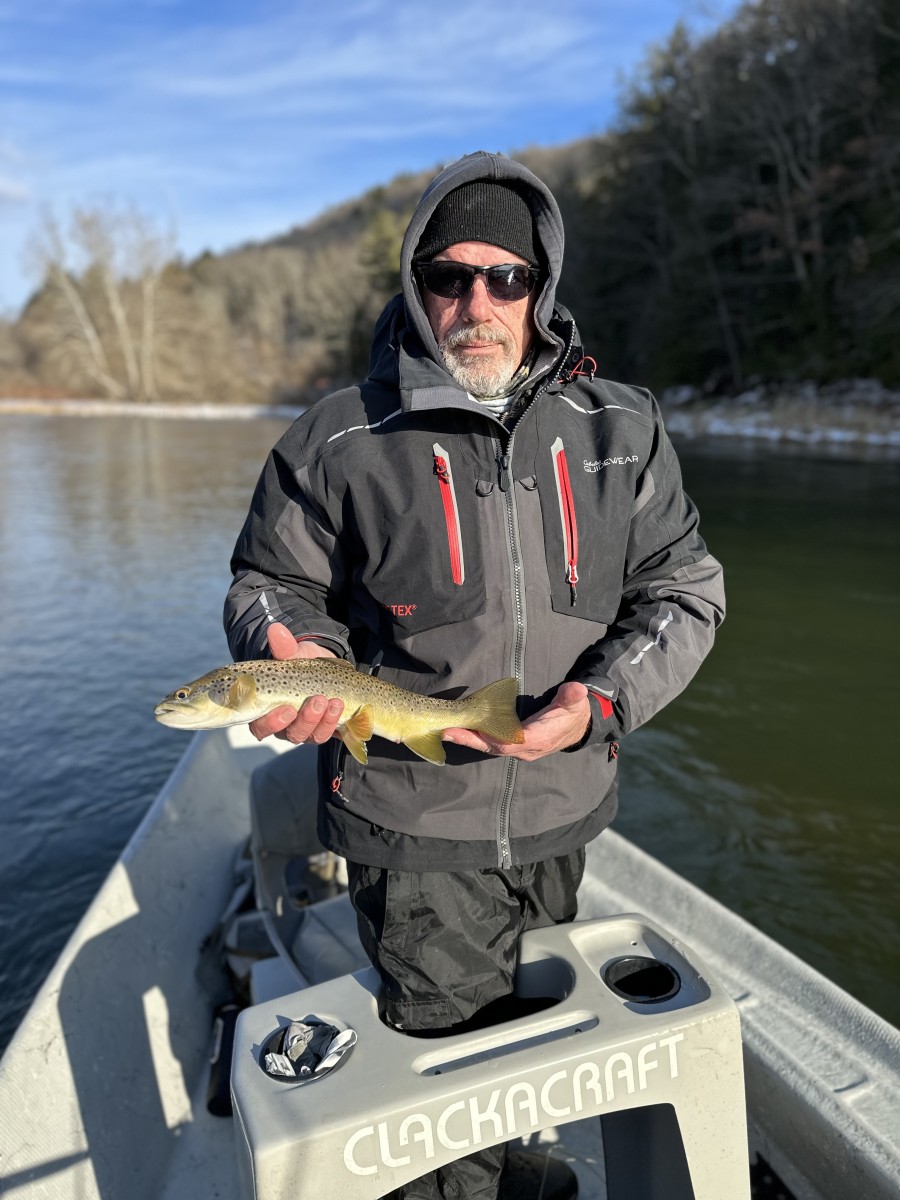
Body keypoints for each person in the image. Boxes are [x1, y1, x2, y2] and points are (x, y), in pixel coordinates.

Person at [224, 151, 725, 1200]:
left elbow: (682, 591)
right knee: (451, 1103)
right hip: (410, 832)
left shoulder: (622, 426)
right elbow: (268, 587)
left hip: (565, 808)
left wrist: (597, 701)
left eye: (506, 277)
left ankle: (521, 1174)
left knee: (531, 1056)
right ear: (416, 283)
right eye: (450, 275)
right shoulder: (338, 437)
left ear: (542, 290)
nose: (477, 302)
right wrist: (290, 650)